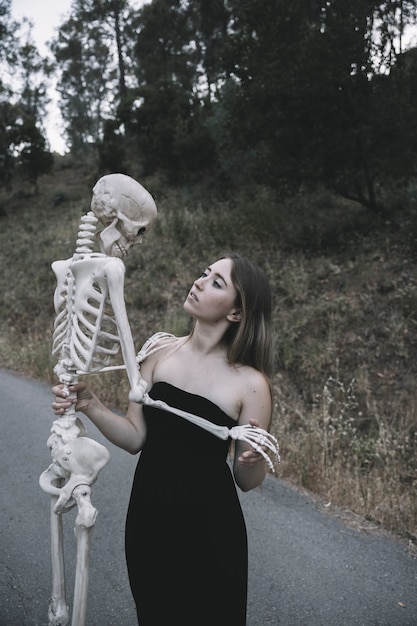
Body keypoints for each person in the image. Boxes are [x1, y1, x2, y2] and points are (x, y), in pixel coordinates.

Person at [52, 252, 274, 626]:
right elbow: (136, 436)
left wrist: (252, 462)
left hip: (212, 527)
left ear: (236, 313)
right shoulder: (158, 351)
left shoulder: (251, 384)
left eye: (217, 282)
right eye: (204, 272)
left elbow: (247, 482)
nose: (200, 281)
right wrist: (90, 403)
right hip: (150, 514)